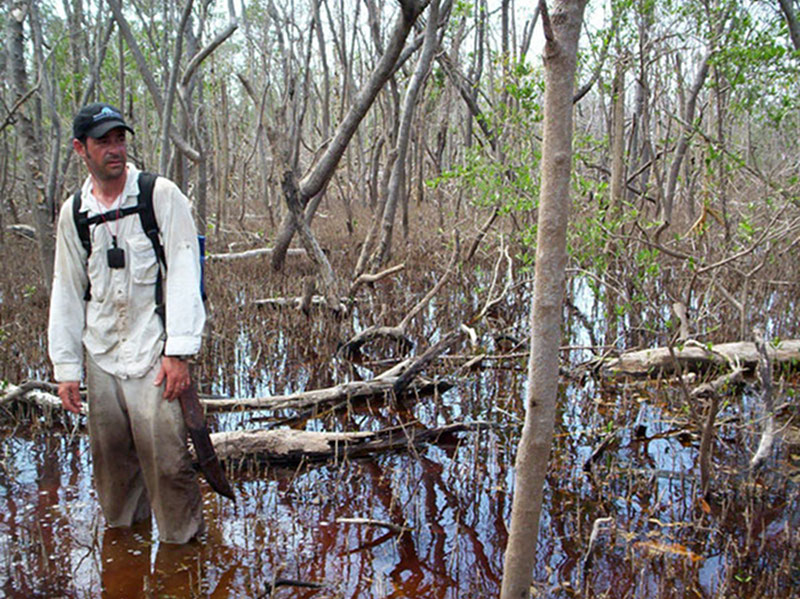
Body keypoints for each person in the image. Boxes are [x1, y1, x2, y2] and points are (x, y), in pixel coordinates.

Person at [48, 102, 206, 544]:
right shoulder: (74, 212)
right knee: (112, 473)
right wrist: (66, 369)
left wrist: (178, 352)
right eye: (103, 141)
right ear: (81, 148)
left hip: (154, 352)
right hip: (100, 355)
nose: (115, 149)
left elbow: (183, 271)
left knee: (169, 465)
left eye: (120, 138)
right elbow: (67, 288)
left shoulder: (161, 196)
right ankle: (125, 560)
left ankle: (184, 556)